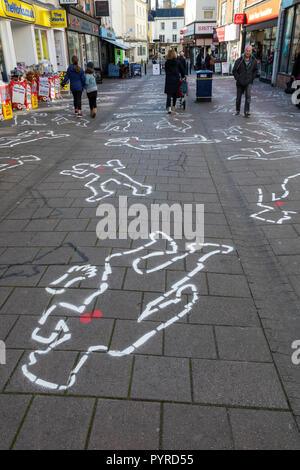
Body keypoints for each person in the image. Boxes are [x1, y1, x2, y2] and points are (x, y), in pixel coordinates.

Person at [232, 44, 258, 118]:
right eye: (247, 50)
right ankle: (237, 110)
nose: (248, 52)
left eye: (249, 51)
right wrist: (238, 78)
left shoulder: (254, 61)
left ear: (251, 52)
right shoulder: (239, 60)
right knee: (238, 98)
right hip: (240, 82)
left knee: (248, 96)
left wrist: (252, 78)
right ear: (244, 51)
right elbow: (234, 71)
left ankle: (246, 111)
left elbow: (255, 70)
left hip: (248, 82)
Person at [164, 49, 185, 114]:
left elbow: (166, 71)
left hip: (169, 79)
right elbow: (182, 70)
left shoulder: (167, 62)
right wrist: (183, 75)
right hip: (176, 79)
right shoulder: (178, 62)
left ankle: (169, 108)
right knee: (175, 93)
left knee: (169, 94)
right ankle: (174, 106)